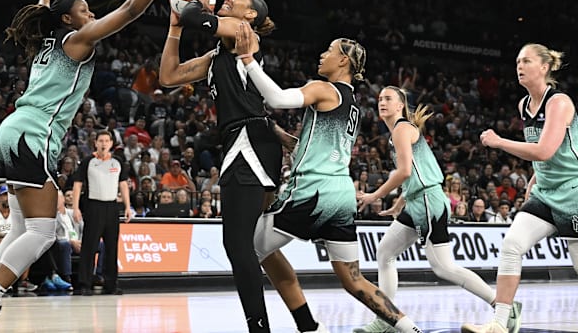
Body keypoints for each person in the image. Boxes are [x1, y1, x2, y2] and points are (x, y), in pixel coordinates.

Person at [0, 0, 197, 331]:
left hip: (15, 132)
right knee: (43, 233)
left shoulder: (46, 42)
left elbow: (42, 21)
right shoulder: (76, 40)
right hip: (31, 136)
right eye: (86, 11)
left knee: (22, 231)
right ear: (69, 20)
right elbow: (131, 10)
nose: (92, 17)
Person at [235, 27, 420, 333]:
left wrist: (248, 59)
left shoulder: (324, 88)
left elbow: (278, 98)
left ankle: (295, 327)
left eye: (329, 50)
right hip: (341, 194)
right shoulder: (353, 106)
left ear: (344, 60)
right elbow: (317, 147)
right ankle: (410, 329)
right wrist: (284, 137)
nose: (323, 54)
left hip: (312, 191)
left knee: (246, 250)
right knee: (354, 280)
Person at [159, 0, 284, 332]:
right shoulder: (219, 55)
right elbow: (168, 76)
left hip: (250, 141)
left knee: (237, 242)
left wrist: (195, 3)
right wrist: (173, 28)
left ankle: (259, 327)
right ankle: (300, 319)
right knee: (254, 246)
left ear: (251, 13)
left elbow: (201, 20)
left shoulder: (242, 32)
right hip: (244, 141)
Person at [355, 86, 517, 333]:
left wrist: (375, 195)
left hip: (429, 202)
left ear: (400, 106)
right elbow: (415, 174)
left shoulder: (401, 129)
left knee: (443, 267)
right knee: (385, 253)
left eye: (388, 99)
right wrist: (399, 204)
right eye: (379, 99)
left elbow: (405, 172)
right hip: (418, 201)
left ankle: (503, 305)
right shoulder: (397, 133)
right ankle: (387, 318)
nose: (382, 102)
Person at [462, 43, 578, 333]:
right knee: (512, 246)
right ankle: (499, 324)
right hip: (547, 193)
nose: (519, 66)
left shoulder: (559, 102)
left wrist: (500, 142)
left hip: (574, 192)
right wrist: (536, 177)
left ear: (545, 67)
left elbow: (544, 150)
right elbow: (543, 153)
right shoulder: (524, 105)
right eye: (517, 62)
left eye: (526, 61)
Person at [72, 130, 131, 295]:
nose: (104, 144)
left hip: (112, 207)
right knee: (89, 247)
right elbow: (77, 185)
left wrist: (127, 206)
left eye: (107, 141)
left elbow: (124, 185)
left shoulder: (117, 162)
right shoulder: (88, 161)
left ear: (111, 143)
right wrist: (76, 208)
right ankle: (85, 283)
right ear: (95, 143)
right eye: (101, 141)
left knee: (112, 247)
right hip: (93, 206)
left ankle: (111, 284)